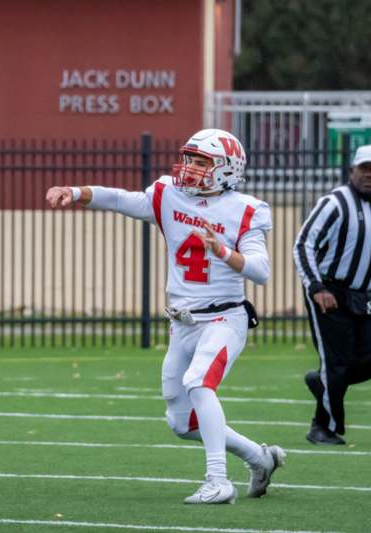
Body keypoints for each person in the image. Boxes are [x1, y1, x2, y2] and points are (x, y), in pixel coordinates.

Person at [46, 128, 285, 504]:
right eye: (188, 158)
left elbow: (260, 271)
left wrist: (223, 251)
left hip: (224, 318)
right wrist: (75, 192)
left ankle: (218, 480)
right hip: (182, 322)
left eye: (200, 161)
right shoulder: (167, 195)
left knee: (199, 382)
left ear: (226, 168)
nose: (189, 167)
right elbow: (120, 199)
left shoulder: (246, 209)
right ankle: (259, 457)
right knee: (181, 422)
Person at [293, 144, 371, 445]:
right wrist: (316, 287)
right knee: (337, 360)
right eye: (363, 168)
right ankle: (323, 427)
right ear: (352, 170)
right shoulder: (334, 203)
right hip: (330, 291)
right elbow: (303, 245)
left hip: (368, 294)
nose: (368, 174)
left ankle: (324, 382)